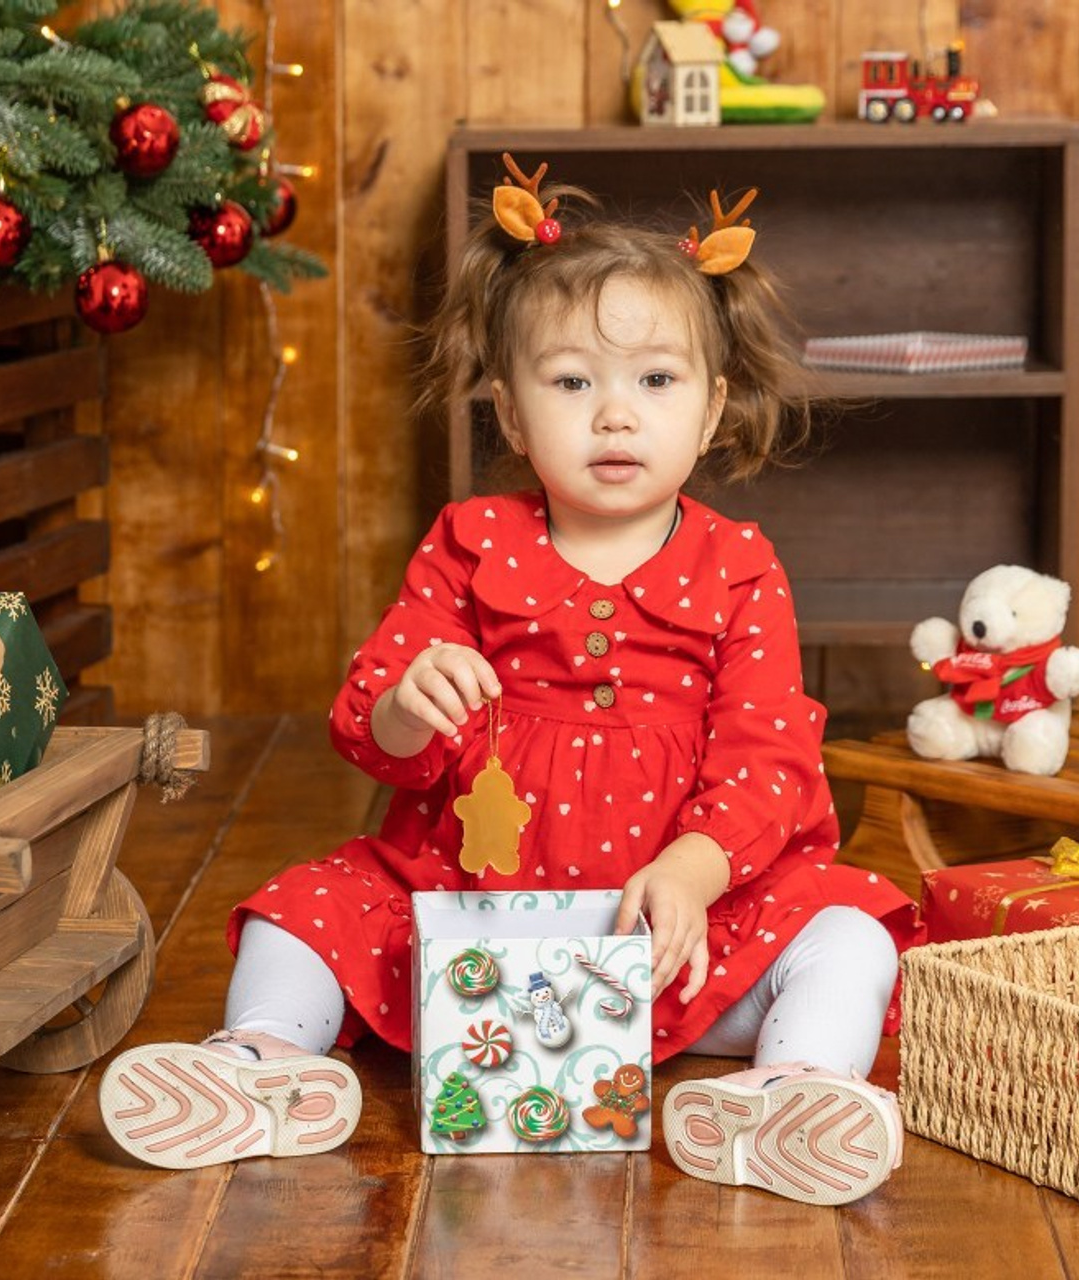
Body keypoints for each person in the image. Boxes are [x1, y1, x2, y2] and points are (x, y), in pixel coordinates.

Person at [100, 155, 921, 1204]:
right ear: (510, 412)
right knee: (301, 907)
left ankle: (794, 1087)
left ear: (712, 411)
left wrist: (695, 870)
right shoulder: (471, 543)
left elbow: (766, 754)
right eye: (572, 381)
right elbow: (370, 720)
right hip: (472, 921)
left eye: (654, 381)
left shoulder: (738, 565)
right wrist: (407, 706)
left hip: (673, 935)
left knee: (846, 929)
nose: (613, 414)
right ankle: (259, 1061)